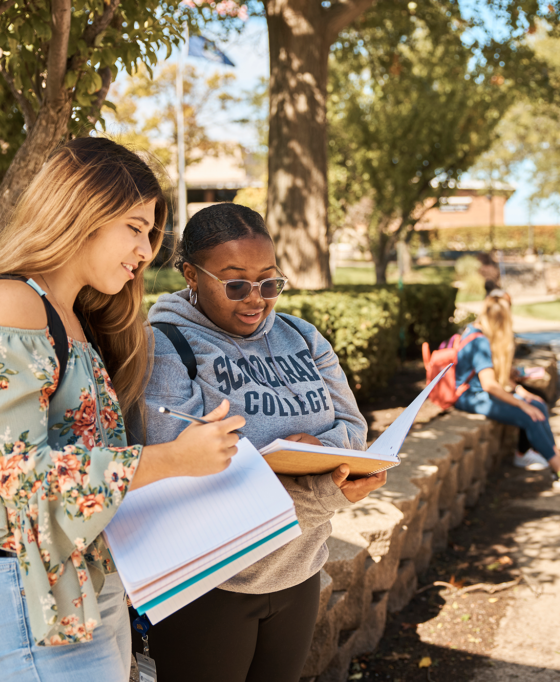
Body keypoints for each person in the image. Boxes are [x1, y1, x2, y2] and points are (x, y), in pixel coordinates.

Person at [0, 138, 246, 681]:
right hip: (28, 599)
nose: (145, 251)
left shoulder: (69, 317)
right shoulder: (6, 303)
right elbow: (20, 477)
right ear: (80, 213)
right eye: (134, 228)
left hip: (81, 593)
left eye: (151, 232)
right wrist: (172, 460)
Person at [142, 204, 385, 682]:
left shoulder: (301, 335)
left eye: (269, 282)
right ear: (192, 274)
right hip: (210, 586)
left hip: (299, 570)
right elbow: (183, 472)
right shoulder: (166, 345)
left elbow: (353, 428)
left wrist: (305, 449)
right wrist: (320, 480)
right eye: (235, 284)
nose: (256, 300)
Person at [453, 293, 560, 490]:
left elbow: (497, 377)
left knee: (536, 403)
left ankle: (558, 461)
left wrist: (522, 393)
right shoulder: (480, 341)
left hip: (478, 394)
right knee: (530, 415)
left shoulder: (477, 331)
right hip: (469, 397)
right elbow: (490, 385)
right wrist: (520, 403)